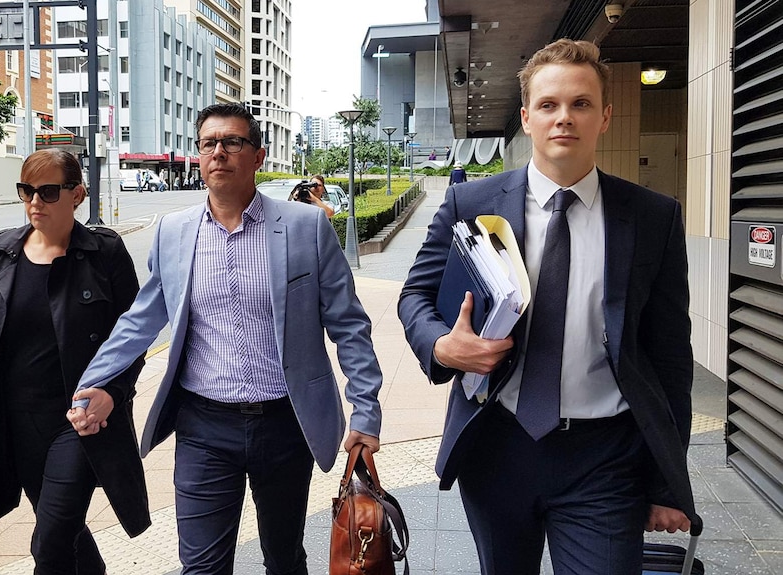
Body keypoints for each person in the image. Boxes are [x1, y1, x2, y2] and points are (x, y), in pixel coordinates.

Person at [398, 39, 695, 575]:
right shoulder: (470, 204)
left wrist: (667, 480)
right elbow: (414, 297)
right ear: (527, 118)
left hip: (604, 457)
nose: (565, 118)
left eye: (581, 104)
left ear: (605, 116)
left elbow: (670, 355)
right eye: (549, 105)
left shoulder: (653, 218)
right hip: (497, 446)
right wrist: (443, 346)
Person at [68, 103, 383, 574]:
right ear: (199, 155)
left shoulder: (305, 227)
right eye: (209, 143)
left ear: (257, 155)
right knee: (200, 566)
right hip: (203, 427)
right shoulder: (173, 232)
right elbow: (141, 318)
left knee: (283, 557)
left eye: (233, 142)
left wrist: (367, 410)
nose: (219, 152)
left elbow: (348, 324)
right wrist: (94, 380)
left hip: (285, 423)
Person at [0, 149, 150, 574]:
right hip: (16, 422)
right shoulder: (1, 252)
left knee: (50, 540)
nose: (34, 203)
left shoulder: (105, 252)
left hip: (78, 420)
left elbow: (131, 337)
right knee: (66, 532)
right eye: (26, 191)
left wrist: (113, 393)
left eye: (47, 192)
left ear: (77, 194)